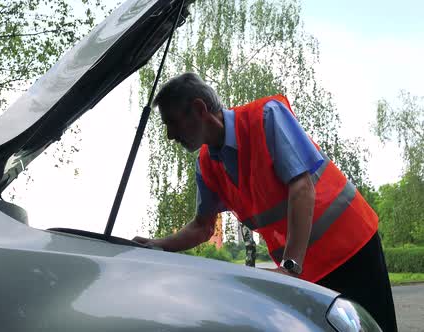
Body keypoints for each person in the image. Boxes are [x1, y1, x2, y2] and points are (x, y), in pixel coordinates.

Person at [133, 73, 397, 331]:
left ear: (199, 109)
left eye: (172, 122)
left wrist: (291, 268)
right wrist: (158, 245)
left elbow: (301, 187)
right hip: (305, 269)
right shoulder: (206, 165)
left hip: (351, 248)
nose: (169, 135)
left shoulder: (267, 116)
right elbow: (202, 227)